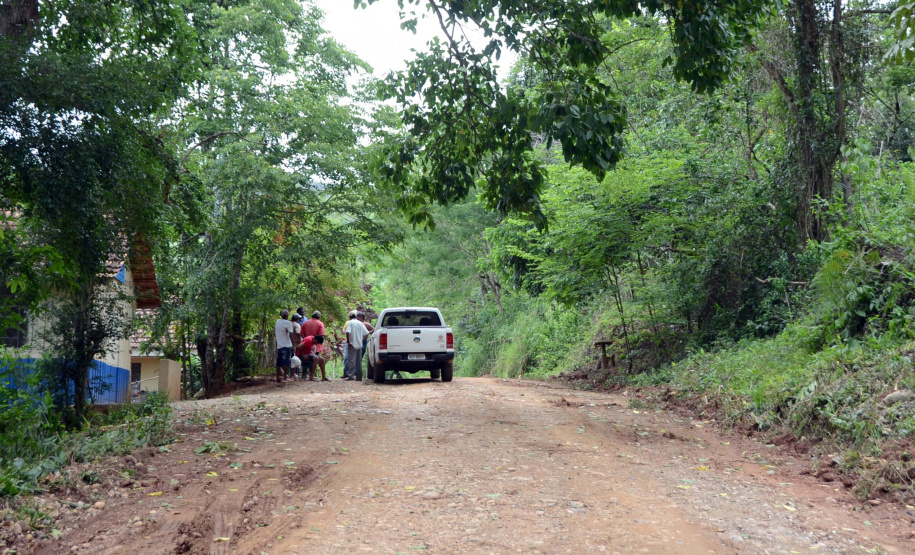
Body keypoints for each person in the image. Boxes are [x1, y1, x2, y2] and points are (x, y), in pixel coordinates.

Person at [344, 310, 369, 381]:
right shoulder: (360, 323)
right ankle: (359, 377)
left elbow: (347, 332)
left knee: (351, 360)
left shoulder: (350, 323)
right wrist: (361, 340)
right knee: (358, 361)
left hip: (352, 344)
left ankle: (351, 376)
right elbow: (366, 333)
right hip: (359, 344)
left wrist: (348, 341)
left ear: (349, 317)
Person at [274, 309, 295, 383]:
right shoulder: (288, 323)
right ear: (288, 315)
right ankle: (285, 377)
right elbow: (291, 334)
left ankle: (277, 377)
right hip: (286, 345)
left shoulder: (277, 322)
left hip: (279, 345)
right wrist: (294, 345)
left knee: (278, 362)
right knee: (286, 362)